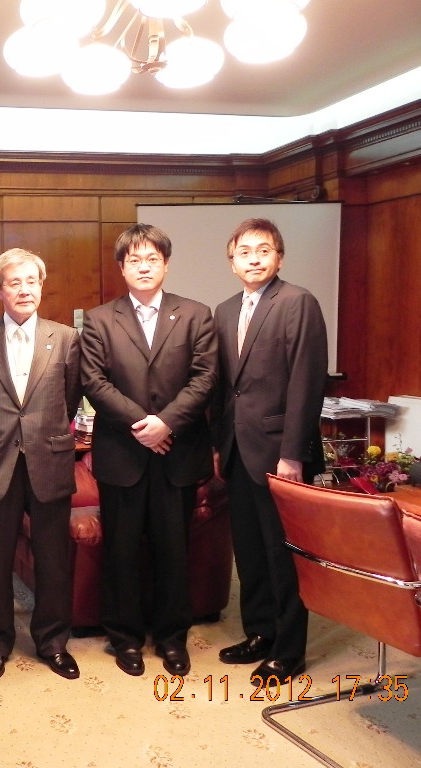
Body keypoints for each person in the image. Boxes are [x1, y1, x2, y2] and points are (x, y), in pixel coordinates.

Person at [80, 224, 217, 678]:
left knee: (173, 550)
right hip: (123, 453)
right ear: (122, 268)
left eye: (152, 259)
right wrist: (143, 425)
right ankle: (125, 638)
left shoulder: (195, 314)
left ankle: (172, 638)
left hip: (177, 453)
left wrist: (166, 423)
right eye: (134, 260)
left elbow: (205, 377)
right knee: (120, 552)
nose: (144, 267)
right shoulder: (100, 319)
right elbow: (94, 381)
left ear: (166, 264)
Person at [214, 218, 327, 685]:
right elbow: (225, 387)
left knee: (283, 555)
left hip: (281, 453)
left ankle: (289, 650)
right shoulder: (224, 311)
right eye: (244, 252)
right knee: (249, 551)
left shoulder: (298, 302)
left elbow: (307, 381)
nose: (254, 259)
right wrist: (219, 445)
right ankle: (259, 633)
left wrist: (293, 453)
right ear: (232, 261)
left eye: (264, 250)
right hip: (237, 450)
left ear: (279, 257)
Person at [0, 248, 82, 683]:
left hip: (49, 458)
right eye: (14, 282)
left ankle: (53, 643)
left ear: (41, 286)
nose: (24, 290)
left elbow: (70, 396)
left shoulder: (66, 338)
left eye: (31, 281)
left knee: (53, 558)